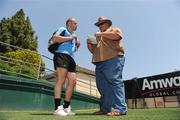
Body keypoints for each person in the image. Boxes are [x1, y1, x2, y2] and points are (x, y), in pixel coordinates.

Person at [87, 16, 127, 116]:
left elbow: (117, 36)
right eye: (99, 24)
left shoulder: (114, 29)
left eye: (102, 23)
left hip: (113, 59)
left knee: (115, 82)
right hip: (99, 62)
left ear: (108, 24)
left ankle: (120, 109)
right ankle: (105, 109)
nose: (100, 26)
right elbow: (94, 52)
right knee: (102, 86)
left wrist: (100, 34)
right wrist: (89, 44)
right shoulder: (97, 37)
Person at [52, 17, 80, 116]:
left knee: (73, 81)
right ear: (69, 23)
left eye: (77, 23)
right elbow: (55, 38)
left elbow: (73, 49)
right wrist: (71, 37)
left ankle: (66, 107)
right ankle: (57, 108)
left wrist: (77, 45)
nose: (77, 24)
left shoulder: (74, 36)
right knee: (61, 79)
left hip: (71, 58)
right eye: (75, 23)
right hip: (61, 55)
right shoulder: (63, 29)